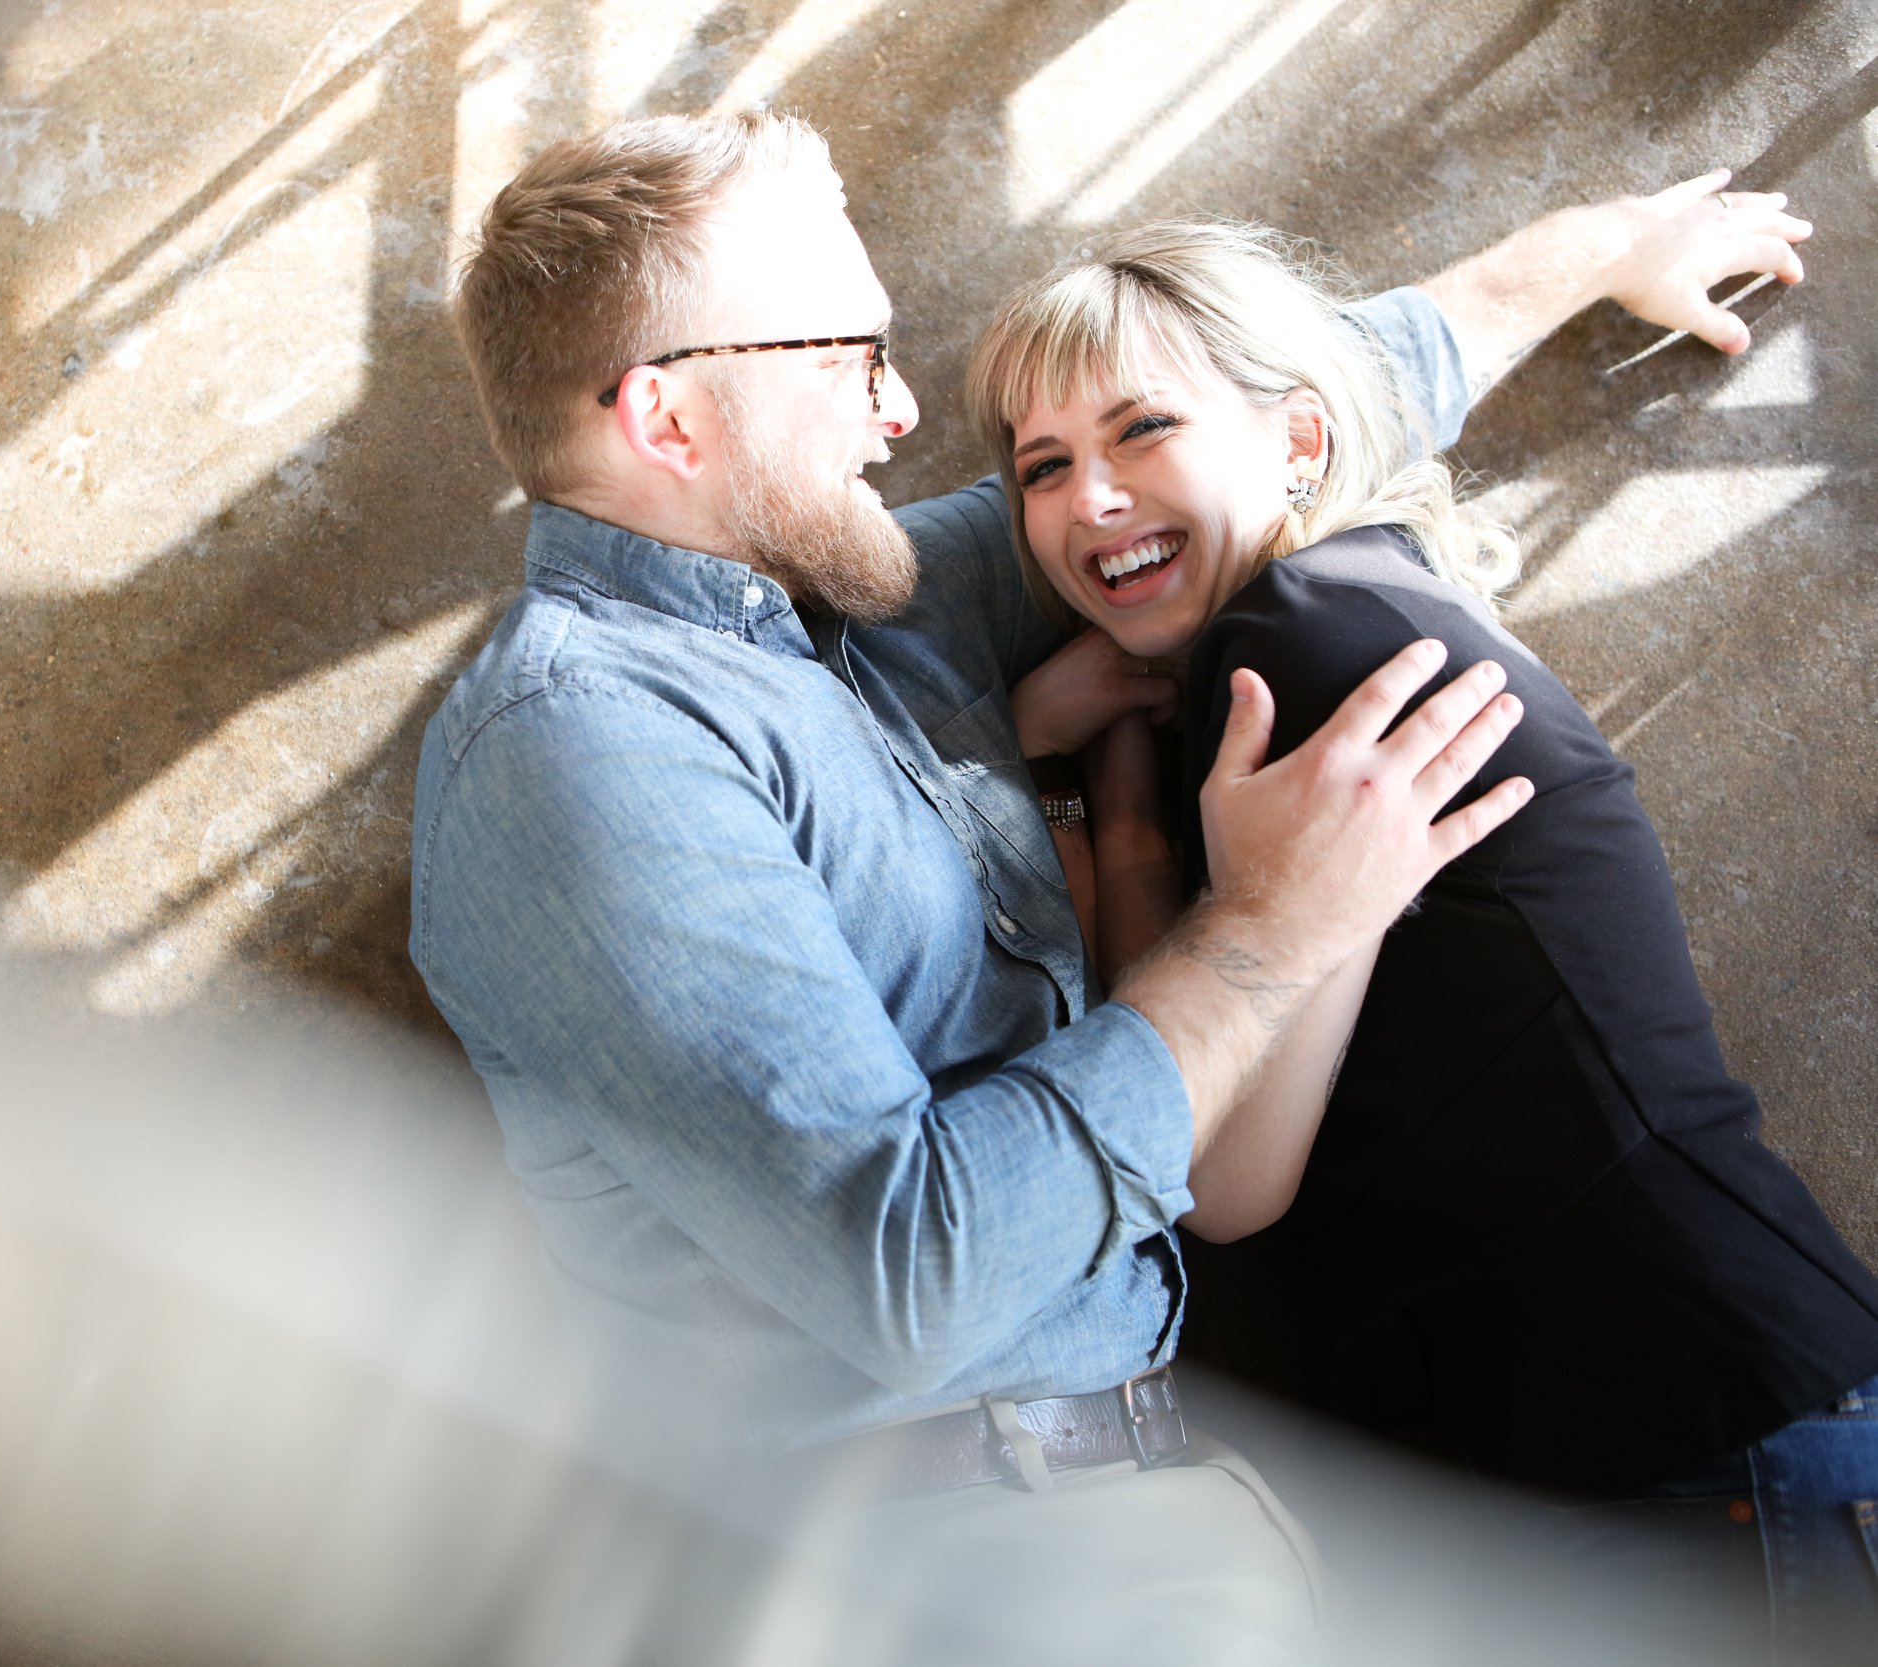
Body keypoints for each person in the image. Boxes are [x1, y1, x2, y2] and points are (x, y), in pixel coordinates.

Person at [407, 108, 1561, 1659]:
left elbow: (1247, 419)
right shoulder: (581, 747)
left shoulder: (861, 602)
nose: (895, 414)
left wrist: (1583, 258)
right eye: (846, 360)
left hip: (1108, 1522)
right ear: (669, 422)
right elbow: (912, 1274)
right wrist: (1278, 929)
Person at [965, 176, 1878, 1657]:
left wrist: (1077, 771)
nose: (1091, 502)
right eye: (1042, 466)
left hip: (1689, 1438)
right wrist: (1101, 757)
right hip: (1666, 1441)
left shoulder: (1307, 645)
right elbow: (1196, 1035)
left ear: (1299, 437)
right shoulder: (1305, 635)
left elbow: (1206, 1163)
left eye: (1143, 430)